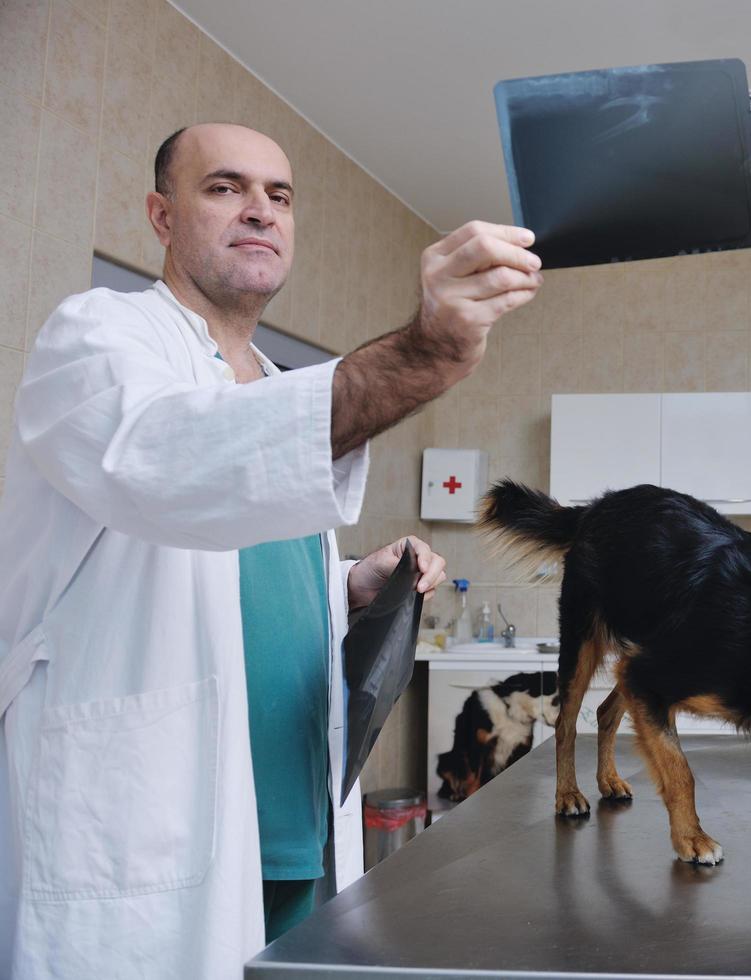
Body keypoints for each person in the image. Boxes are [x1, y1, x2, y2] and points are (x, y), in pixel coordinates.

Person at [0, 122, 543, 978]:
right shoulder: (98, 341)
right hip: (154, 823)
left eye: (279, 196)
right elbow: (171, 464)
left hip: (292, 819)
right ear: (162, 215)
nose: (260, 210)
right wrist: (425, 351)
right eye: (225, 188)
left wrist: (349, 585)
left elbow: (234, 572)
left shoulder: (277, 388)